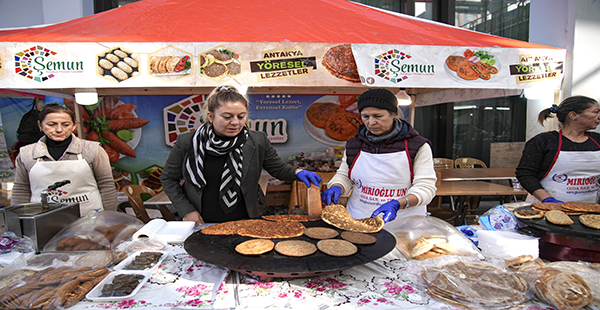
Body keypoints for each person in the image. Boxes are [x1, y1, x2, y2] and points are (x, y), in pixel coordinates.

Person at [161, 86, 321, 224]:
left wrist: (297, 172)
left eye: (241, 116)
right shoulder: (187, 142)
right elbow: (169, 178)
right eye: (227, 117)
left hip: (245, 218)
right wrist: (186, 210)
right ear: (211, 116)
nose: (235, 122)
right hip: (201, 219)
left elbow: (278, 169)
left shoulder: (257, 140)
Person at [320, 88, 437, 225]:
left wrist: (399, 203)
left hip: (404, 224)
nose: (371, 122)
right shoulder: (355, 144)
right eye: (365, 116)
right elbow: (345, 175)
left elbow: (426, 188)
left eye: (378, 116)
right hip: (358, 220)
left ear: (394, 114)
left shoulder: (417, 146)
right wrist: (337, 186)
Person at [11, 103, 118, 216]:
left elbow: (106, 185)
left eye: (66, 125)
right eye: (51, 124)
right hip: (43, 220)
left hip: (88, 218)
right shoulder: (26, 154)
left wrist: (109, 218)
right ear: (40, 126)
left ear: (74, 126)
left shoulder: (92, 150)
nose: (59, 129)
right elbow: (21, 189)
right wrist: (18, 220)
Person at [516, 95, 600, 203]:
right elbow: (525, 174)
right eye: (596, 112)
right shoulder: (544, 141)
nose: (599, 116)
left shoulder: (597, 140)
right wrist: (547, 199)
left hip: (590, 209)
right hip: (546, 208)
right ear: (573, 115)